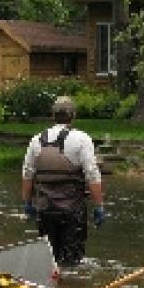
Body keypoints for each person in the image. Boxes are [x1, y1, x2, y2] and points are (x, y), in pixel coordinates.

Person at [21, 95, 104, 266]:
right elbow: (92, 175)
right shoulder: (81, 139)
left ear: (53, 116)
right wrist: (99, 206)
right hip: (72, 212)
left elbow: (27, 175)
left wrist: (27, 203)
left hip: (45, 210)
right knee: (72, 261)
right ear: (73, 116)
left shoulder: (36, 140)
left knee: (49, 260)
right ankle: (72, 287)